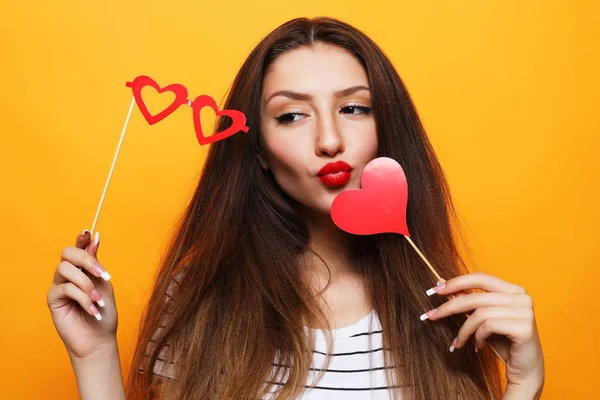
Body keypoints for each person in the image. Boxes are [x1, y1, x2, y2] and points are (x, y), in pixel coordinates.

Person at [47, 17, 545, 400]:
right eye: (291, 115)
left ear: (386, 127)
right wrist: (94, 356)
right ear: (259, 150)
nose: (330, 140)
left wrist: (523, 384)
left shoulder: (446, 309)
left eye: (353, 108)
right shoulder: (204, 304)